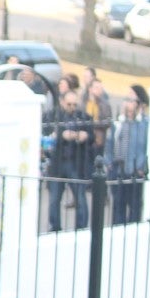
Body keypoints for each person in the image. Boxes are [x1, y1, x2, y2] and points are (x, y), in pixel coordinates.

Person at [47, 91, 92, 232]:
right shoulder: (55, 116)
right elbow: (47, 135)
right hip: (58, 163)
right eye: (69, 104)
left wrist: (85, 136)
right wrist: (61, 135)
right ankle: (55, 227)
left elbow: (91, 137)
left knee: (80, 197)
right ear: (62, 102)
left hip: (75, 162)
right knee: (54, 198)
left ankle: (81, 227)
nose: (72, 107)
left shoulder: (84, 117)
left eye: (74, 104)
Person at [104, 85, 150, 225]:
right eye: (126, 99)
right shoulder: (119, 121)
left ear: (139, 104)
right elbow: (110, 143)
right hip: (118, 170)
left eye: (131, 99)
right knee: (118, 206)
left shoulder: (145, 124)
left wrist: (142, 167)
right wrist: (109, 163)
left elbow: (146, 148)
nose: (127, 102)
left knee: (135, 207)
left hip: (135, 172)